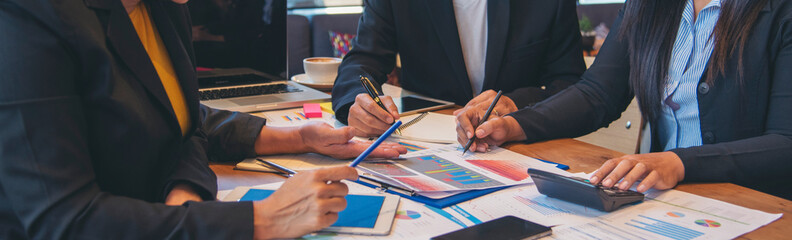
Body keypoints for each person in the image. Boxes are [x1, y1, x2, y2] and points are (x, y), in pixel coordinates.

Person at [0, 0, 406, 239]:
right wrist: (260, 218)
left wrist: (300, 136)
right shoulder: (28, 19)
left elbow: (180, 123)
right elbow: (64, 222)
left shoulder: (162, 9)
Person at [456, 0, 792, 200]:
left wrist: (678, 163)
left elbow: (785, 142)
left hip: (757, 207)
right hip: (670, 203)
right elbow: (598, 92)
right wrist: (512, 126)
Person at [331, 0, 586, 136]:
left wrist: (514, 102)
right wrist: (358, 102)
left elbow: (570, 83)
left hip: (520, 144)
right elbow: (363, 60)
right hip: (422, 144)